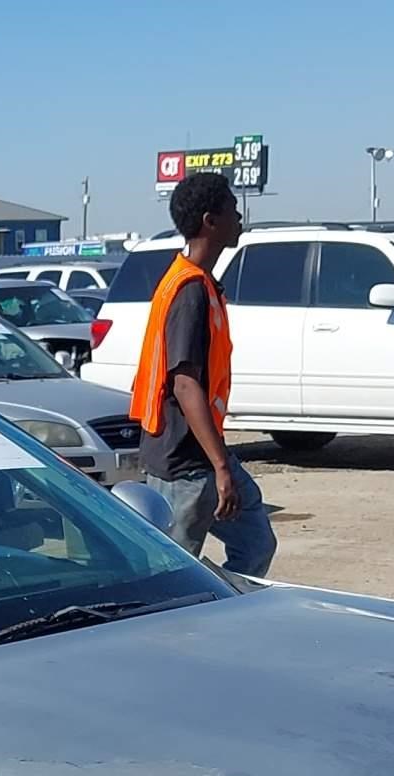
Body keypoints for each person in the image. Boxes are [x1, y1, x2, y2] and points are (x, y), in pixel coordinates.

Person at [130, 171, 274, 575]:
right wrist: (221, 466)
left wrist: (220, 461)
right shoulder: (189, 290)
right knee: (172, 570)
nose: (240, 216)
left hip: (203, 454)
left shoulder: (200, 283)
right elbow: (185, 383)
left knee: (256, 543)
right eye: (232, 209)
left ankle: (220, 613)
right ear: (210, 221)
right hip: (183, 462)